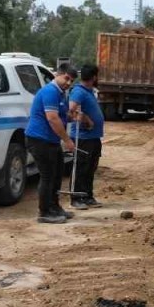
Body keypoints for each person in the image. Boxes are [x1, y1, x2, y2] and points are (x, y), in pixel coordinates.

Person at [25, 63, 77, 224]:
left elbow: (61, 116)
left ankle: (55, 207)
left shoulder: (60, 93)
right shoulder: (50, 92)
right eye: (67, 78)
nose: (68, 83)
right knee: (47, 176)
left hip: (51, 141)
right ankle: (44, 212)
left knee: (57, 174)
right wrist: (67, 140)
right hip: (40, 140)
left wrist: (70, 116)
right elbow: (52, 118)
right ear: (57, 74)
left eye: (71, 81)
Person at [67, 64, 105, 210]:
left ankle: (87, 196)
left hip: (93, 137)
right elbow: (71, 110)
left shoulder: (88, 91)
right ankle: (76, 198)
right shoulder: (78, 92)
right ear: (94, 77)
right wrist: (86, 120)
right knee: (81, 167)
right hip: (82, 137)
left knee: (90, 168)